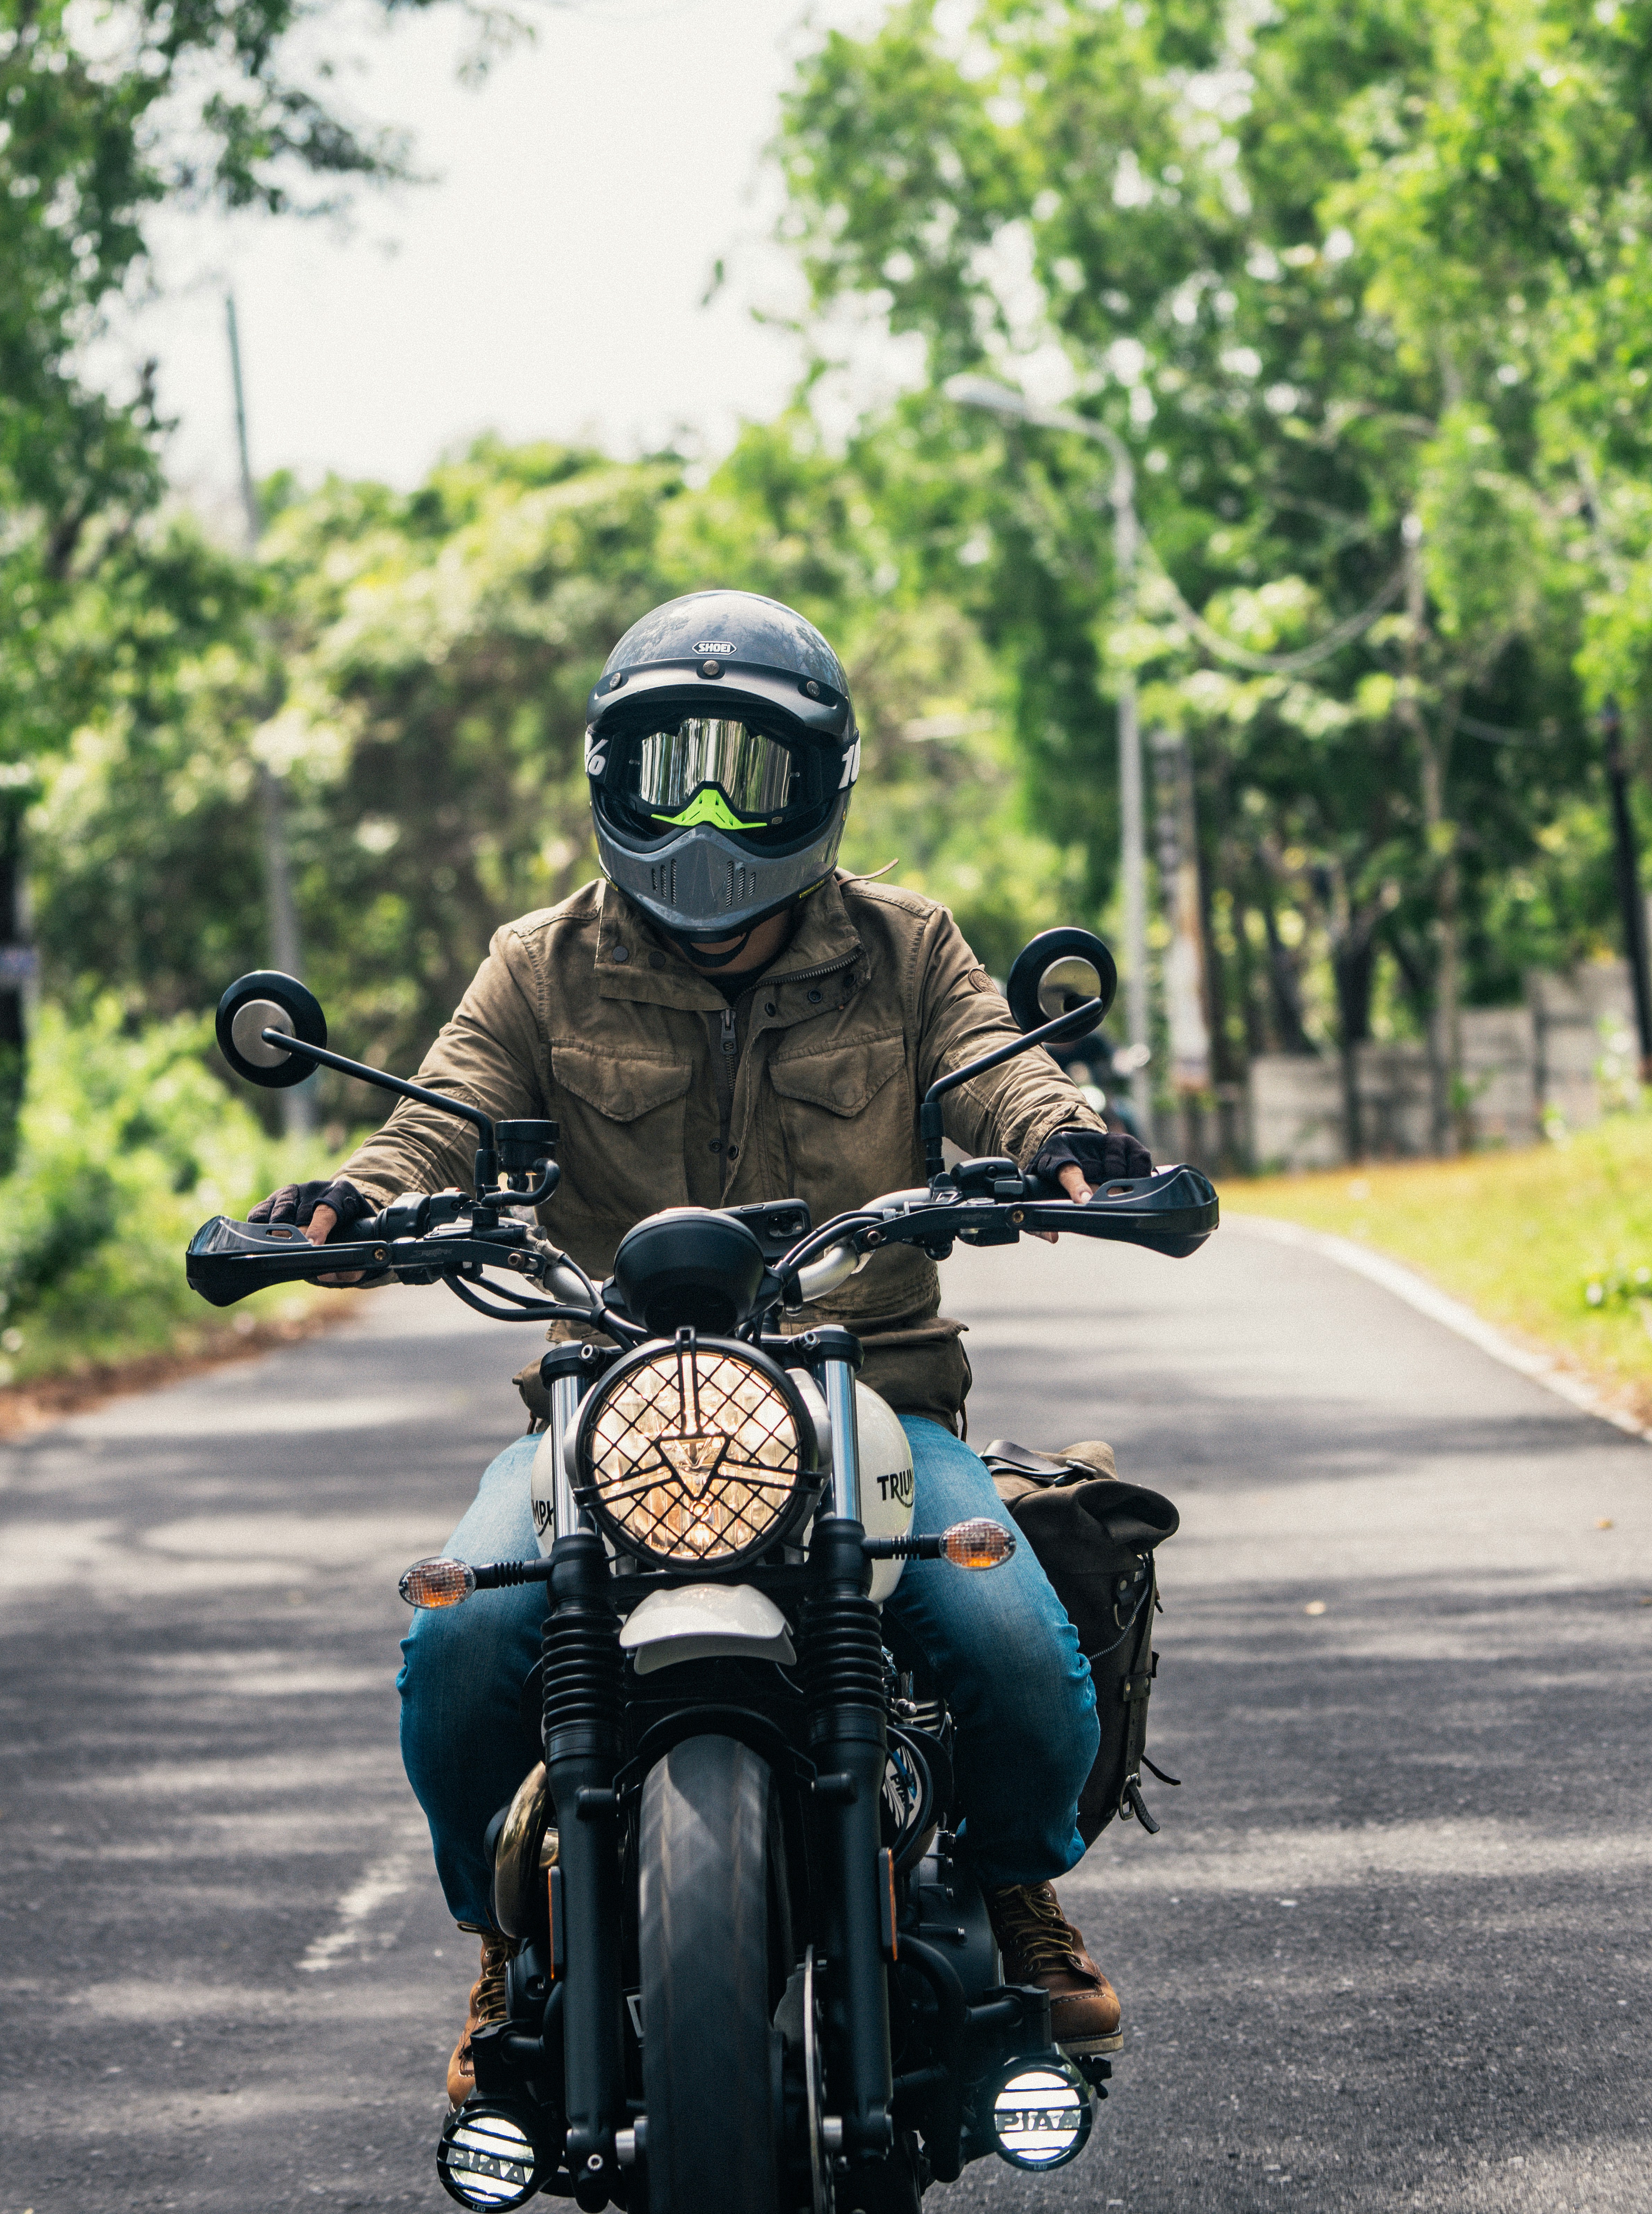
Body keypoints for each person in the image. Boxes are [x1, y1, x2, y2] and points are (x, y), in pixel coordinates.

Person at [248, 587, 1154, 2106]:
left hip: (865, 1397)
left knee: (1004, 1637)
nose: (713, 811)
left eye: (753, 769)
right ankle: (513, 1940)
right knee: (464, 1638)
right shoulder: (540, 964)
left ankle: (1012, 1890)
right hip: (608, 1408)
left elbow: (1005, 1079)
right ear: (613, 777)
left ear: (824, 782)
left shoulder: (909, 946)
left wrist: (1074, 1147)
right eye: (676, 770)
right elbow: (441, 1114)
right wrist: (359, 1195)